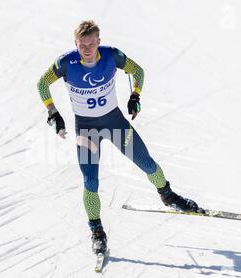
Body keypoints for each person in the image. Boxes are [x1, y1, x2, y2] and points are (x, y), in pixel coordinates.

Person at [37, 21, 200, 256]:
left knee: (148, 164)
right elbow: (42, 84)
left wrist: (136, 96)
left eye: (91, 44)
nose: (87, 49)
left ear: (98, 42)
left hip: (115, 123)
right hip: (87, 129)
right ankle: (96, 231)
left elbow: (138, 71)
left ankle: (168, 195)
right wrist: (53, 112)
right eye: (82, 45)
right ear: (76, 44)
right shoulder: (66, 62)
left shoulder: (111, 56)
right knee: (90, 182)